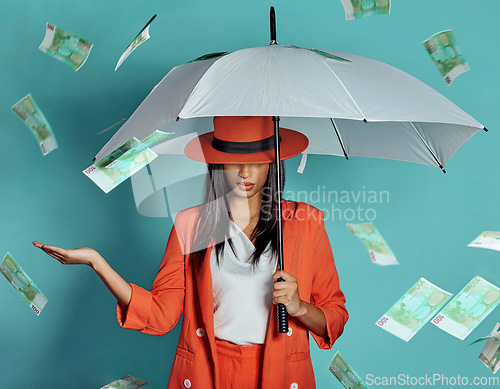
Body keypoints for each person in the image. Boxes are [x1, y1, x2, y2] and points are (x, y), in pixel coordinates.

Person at [33, 116, 348, 389]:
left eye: (256, 159)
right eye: (233, 159)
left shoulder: (305, 223)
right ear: (216, 163)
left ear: (273, 161)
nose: (244, 172)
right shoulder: (191, 224)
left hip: (279, 372)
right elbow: (159, 316)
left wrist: (298, 307)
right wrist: (96, 262)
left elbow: (334, 317)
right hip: (209, 371)